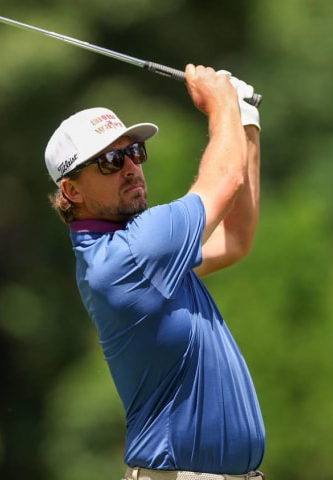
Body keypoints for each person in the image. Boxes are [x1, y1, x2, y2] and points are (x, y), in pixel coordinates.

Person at [44, 64, 265, 480]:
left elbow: (235, 240)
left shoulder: (136, 255)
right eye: (110, 160)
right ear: (72, 191)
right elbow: (225, 178)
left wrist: (245, 121)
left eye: (134, 152)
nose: (130, 167)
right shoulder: (133, 254)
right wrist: (220, 106)